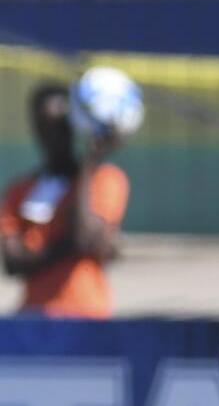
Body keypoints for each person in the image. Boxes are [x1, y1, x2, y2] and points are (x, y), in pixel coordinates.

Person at [0, 83, 128, 318]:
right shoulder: (19, 191)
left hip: (86, 317)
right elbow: (12, 262)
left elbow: (86, 238)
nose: (53, 136)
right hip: (33, 318)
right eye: (45, 126)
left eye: (61, 126)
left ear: (75, 126)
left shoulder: (104, 179)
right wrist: (67, 245)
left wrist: (89, 165)